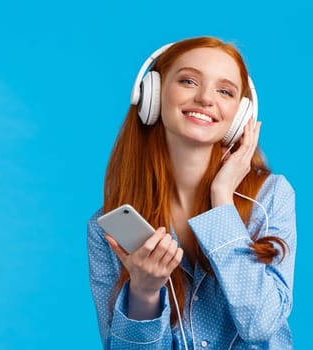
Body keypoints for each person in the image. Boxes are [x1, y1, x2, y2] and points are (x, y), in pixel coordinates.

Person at [86, 37, 296, 350]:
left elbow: (260, 324)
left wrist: (222, 199)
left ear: (240, 117)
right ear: (151, 95)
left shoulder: (270, 197)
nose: (205, 98)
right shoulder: (108, 227)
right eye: (188, 81)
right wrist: (143, 293)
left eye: (224, 91)